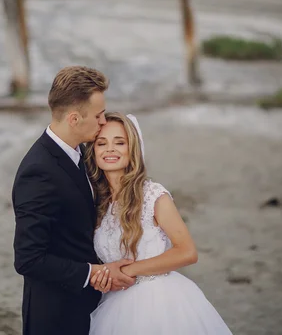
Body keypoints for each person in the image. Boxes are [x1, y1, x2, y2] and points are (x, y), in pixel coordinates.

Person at [12, 67, 136, 335]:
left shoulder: (81, 152)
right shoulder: (38, 172)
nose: (103, 122)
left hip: (89, 307)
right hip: (56, 316)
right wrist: (93, 273)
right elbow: (28, 259)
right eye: (98, 115)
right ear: (74, 119)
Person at [84, 112, 233, 334]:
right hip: (114, 306)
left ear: (132, 148)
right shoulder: (98, 203)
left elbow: (187, 252)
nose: (110, 149)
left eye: (120, 142)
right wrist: (104, 276)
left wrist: (130, 270)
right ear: (93, 151)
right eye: (101, 143)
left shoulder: (152, 195)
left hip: (159, 301)